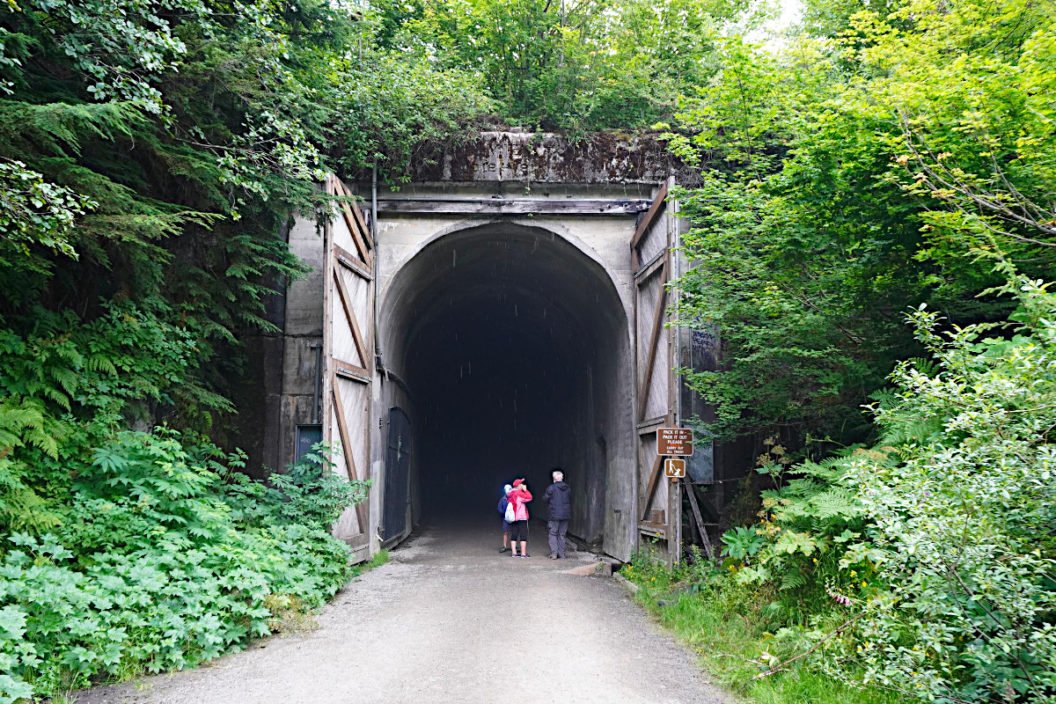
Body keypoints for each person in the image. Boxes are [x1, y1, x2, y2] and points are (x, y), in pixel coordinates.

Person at [543, 468, 572, 559]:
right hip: (565, 514)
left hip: (554, 514)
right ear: (562, 478)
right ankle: (562, 554)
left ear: (554, 478)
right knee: (562, 534)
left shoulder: (551, 488)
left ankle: (554, 553)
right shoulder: (568, 488)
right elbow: (570, 498)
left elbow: (545, 499)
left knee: (553, 533)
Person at [507, 478, 533, 558]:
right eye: (521, 483)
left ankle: (514, 553)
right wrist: (526, 490)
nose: (523, 484)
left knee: (514, 534)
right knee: (523, 535)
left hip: (513, 517)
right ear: (518, 485)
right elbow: (529, 498)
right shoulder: (519, 493)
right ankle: (523, 554)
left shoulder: (510, 493)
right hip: (521, 517)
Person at [497, 484, 513, 553]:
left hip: (513, 517)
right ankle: (504, 546)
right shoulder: (503, 499)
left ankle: (512, 545)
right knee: (505, 532)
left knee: (513, 532)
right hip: (505, 518)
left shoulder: (513, 498)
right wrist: (504, 512)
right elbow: (499, 508)